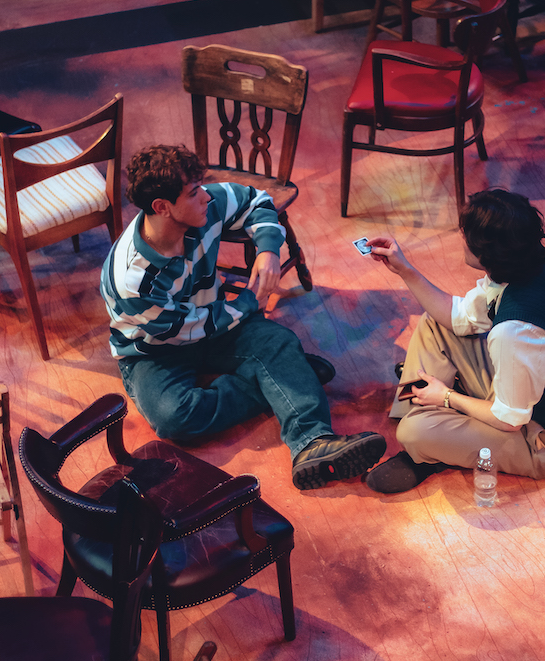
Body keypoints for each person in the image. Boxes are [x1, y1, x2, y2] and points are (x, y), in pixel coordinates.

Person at [101, 145, 385, 490]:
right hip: (154, 350)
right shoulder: (132, 279)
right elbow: (187, 329)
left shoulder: (202, 207)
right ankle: (284, 379)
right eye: (194, 193)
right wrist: (250, 302)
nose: (206, 196)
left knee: (279, 342)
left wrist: (267, 250)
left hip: (214, 324)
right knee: (173, 418)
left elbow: (256, 200)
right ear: (162, 207)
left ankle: (312, 442)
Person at [363, 189, 545, 494]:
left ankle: (429, 439)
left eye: (466, 234)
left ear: (484, 252)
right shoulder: (531, 270)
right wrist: (405, 270)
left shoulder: (515, 330)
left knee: (412, 432)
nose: (461, 237)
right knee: (433, 323)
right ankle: (431, 420)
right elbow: (457, 315)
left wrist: (448, 397)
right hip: (525, 398)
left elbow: (509, 419)